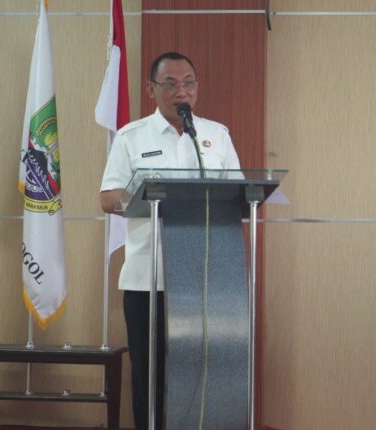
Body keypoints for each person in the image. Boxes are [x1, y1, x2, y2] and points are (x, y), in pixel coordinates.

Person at [99, 52, 241, 430]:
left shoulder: (216, 136)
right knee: (150, 375)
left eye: (188, 83)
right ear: (151, 89)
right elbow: (108, 198)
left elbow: (239, 194)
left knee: (200, 373)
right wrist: (153, 197)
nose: (182, 91)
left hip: (204, 280)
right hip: (149, 279)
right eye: (171, 84)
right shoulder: (131, 137)